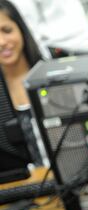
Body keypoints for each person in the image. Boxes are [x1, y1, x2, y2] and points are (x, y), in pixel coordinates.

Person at [0, 0, 47, 166]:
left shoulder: (52, 76)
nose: (2, 42)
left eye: (7, 30)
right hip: (23, 187)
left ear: (20, 28)